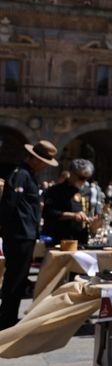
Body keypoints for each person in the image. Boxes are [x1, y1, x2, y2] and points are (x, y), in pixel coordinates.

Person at [0, 140, 60, 329]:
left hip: (25, 233)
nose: (44, 166)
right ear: (35, 159)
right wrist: (6, 228)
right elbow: (10, 205)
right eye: (43, 161)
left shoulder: (28, 175)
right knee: (14, 278)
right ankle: (6, 319)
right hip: (19, 234)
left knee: (18, 277)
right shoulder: (21, 175)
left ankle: (8, 316)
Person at [41, 158, 100, 246]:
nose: (84, 181)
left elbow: (88, 212)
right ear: (71, 173)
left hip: (81, 240)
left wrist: (93, 222)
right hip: (59, 239)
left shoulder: (87, 191)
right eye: (81, 178)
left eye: (87, 178)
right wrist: (72, 215)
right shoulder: (55, 191)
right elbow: (48, 213)